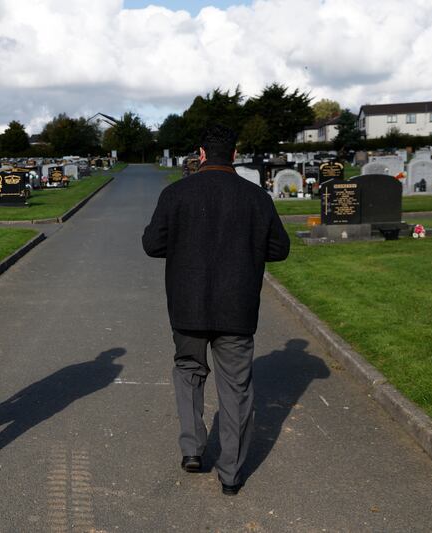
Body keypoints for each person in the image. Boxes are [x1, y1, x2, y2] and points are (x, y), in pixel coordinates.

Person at [142, 125, 290, 495]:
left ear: (202, 154)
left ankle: (192, 449)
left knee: (189, 372)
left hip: (187, 305)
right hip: (237, 307)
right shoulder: (256, 198)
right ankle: (231, 474)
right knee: (236, 388)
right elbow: (279, 249)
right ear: (234, 155)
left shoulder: (177, 193)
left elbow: (152, 244)